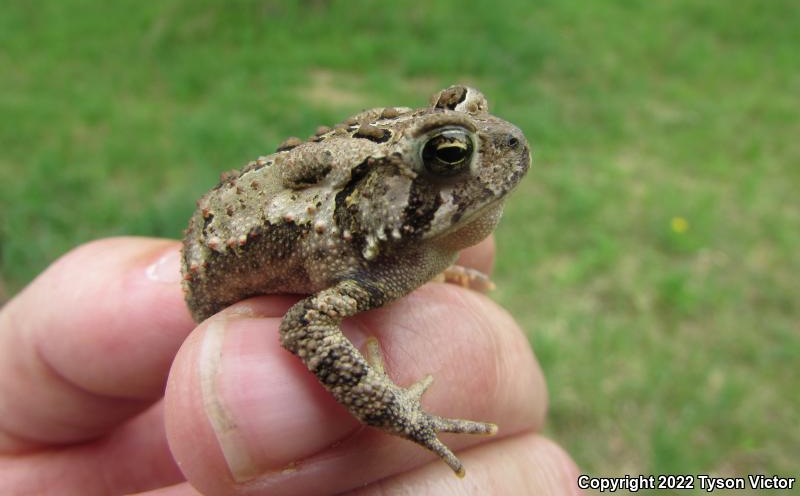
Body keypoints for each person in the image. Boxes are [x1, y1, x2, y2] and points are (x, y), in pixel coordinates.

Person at [0, 237, 580, 495]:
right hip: (223, 266)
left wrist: (429, 258)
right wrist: (396, 410)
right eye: (450, 157)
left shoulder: (383, 240)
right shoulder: (354, 242)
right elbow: (304, 324)